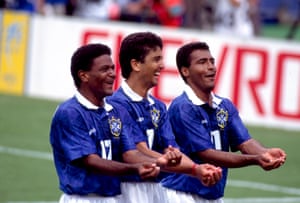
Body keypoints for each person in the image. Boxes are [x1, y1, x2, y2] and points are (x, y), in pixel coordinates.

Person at [49, 43, 180, 203]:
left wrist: (159, 162)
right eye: (105, 69)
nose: (112, 74)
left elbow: (129, 153)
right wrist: (135, 169)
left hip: (113, 199)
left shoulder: (115, 111)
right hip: (82, 198)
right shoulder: (70, 112)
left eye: (112, 68)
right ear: (84, 75)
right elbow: (91, 160)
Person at [160, 41, 287, 202]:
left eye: (211, 61)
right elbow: (207, 154)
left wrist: (264, 153)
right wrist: (255, 160)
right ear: (185, 71)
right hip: (180, 195)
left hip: (212, 195)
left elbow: (245, 142)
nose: (211, 67)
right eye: (202, 62)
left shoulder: (224, 105)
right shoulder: (183, 107)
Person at [107, 32, 222, 203]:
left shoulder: (159, 107)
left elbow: (171, 150)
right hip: (124, 191)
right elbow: (138, 151)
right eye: (156, 59)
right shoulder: (116, 104)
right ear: (136, 64)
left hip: (157, 190)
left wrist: (195, 168)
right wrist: (191, 168)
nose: (162, 65)